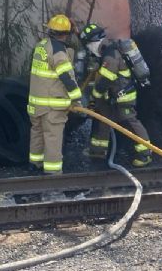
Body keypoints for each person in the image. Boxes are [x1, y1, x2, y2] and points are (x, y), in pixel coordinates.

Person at [78, 23, 154, 167]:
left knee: (130, 122)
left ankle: (145, 154)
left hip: (123, 96)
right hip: (111, 96)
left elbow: (107, 79)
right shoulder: (106, 51)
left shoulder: (110, 54)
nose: (88, 48)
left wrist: (95, 95)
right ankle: (97, 151)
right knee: (102, 118)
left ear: (95, 42)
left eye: (88, 45)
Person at [28, 14, 82, 175]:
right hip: (52, 105)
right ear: (66, 34)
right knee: (52, 136)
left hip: (35, 103)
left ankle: (35, 163)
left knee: (37, 132)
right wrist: (77, 98)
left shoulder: (41, 45)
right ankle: (53, 172)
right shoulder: (59, 52)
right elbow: (67, 77)